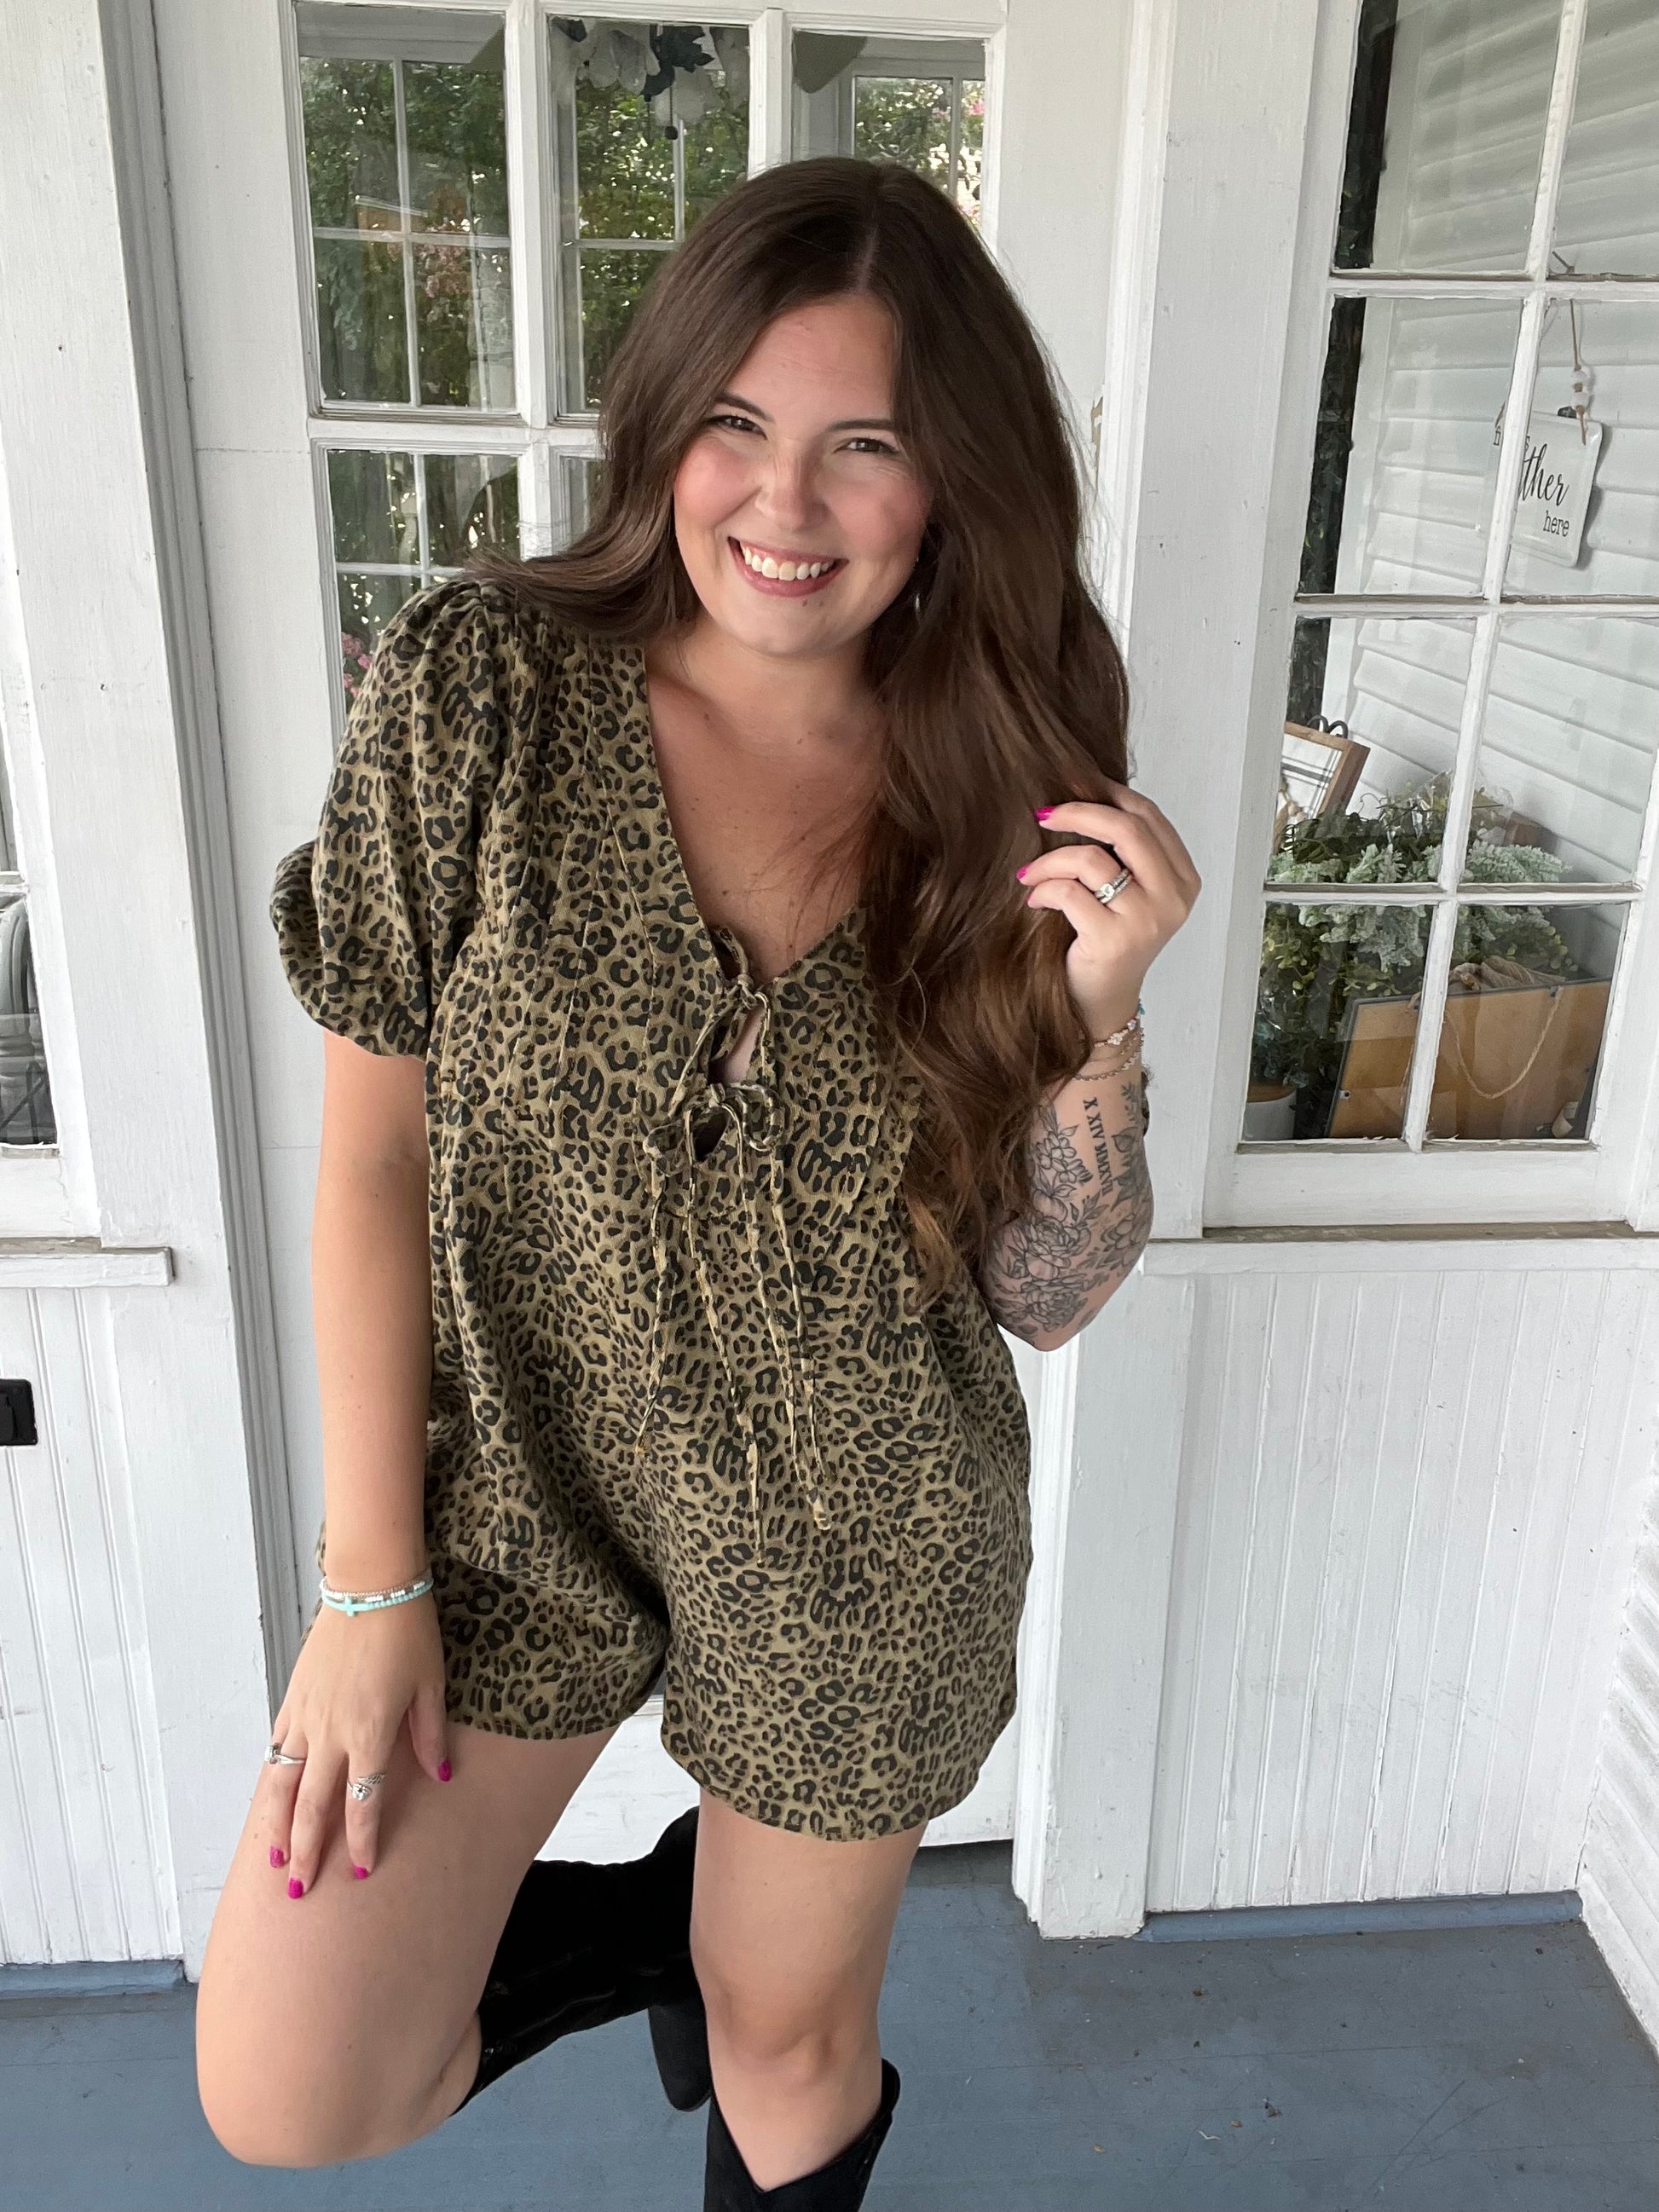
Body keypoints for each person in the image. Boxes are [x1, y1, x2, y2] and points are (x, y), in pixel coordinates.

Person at [194, 155, 1199, 2209]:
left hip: (864, 1516)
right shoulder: (479, 689)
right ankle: (679, 1915)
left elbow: (1041, 1291)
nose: (782, 502)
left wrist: (1094, 1021)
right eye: (734, 423)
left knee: (788, 2031)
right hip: (520, 1484)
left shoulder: (1006, 780)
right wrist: (366, 1581)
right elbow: (373, 1153)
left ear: (953, 478)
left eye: (865, 444)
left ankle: (738, 1949)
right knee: (295, 2082)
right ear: (661, 423)